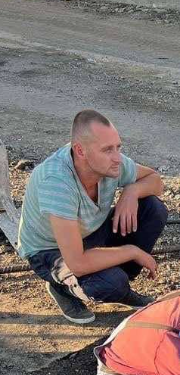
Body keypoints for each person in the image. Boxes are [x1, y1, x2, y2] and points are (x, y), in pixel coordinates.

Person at [17, 109, 168, 325]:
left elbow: (155, 180)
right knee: (109, 283)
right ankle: (63, 287)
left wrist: (131, 192)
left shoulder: (110, 163)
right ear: (80, 151)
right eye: (107, 150)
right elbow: (77, 262)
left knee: (153, 208)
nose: (117, 158)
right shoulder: (56, 182)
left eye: (118, 147)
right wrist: (131, 251)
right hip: (51, 251)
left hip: (91, 232)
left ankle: (121, 283)